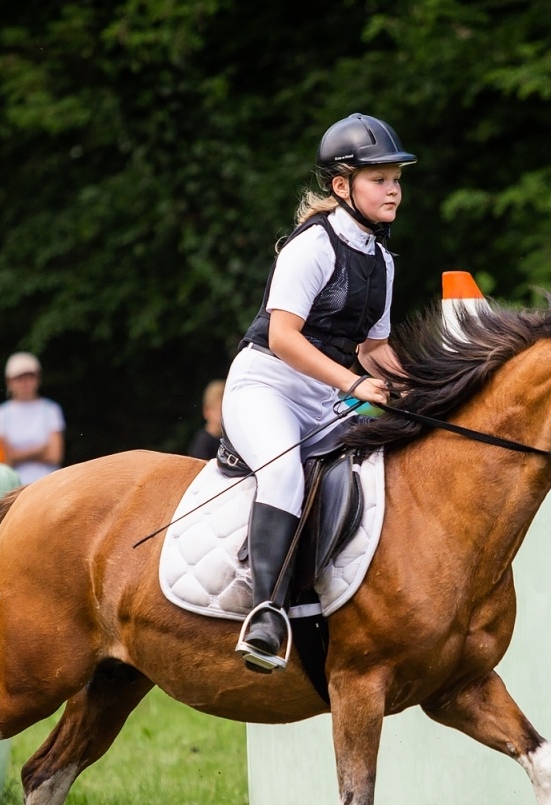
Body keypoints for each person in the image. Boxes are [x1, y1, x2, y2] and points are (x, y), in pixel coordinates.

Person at [222, 113, 411, 671]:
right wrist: (355, 383)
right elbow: (283, 337)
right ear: (341, 185)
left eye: (397, 177)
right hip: (267, 385)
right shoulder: (312, 246)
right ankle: (265, 611)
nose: (394, 188)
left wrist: (419, 392)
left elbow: (376, 349)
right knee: (282, 470)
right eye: (379, 178)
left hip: (324, 395)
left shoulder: (382, 261)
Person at [0, 352, 65, 484]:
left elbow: (55, 455)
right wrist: (40, 449)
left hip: (49, 482)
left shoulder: (51, 409)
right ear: (9, 382)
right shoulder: (1, 413)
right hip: (14, 485)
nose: (25, 383)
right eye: (19, 378)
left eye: (30, 377)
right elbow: (4, 458)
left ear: (38, 379)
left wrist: (18, 455)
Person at [187, 379, 225, 460]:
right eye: (221, 409)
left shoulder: (228, 442)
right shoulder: (203, 443)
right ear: (207, 411)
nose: (225, 414)